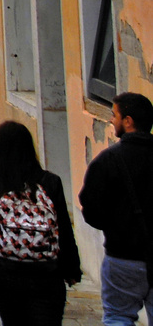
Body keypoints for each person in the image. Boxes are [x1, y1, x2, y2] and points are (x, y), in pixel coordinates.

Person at [0, 120, 82, 324]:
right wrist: (72, 268)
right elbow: (63, 228)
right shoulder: (50, 182)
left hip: (4, 271)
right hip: (47, 272)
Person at [79, 92, 153, 326]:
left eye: (114, 115)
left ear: (128, 121)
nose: (111, 120)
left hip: (123, 257)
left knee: (118, 316)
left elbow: (90, 209)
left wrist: (117, 225)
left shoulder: (107, 161)